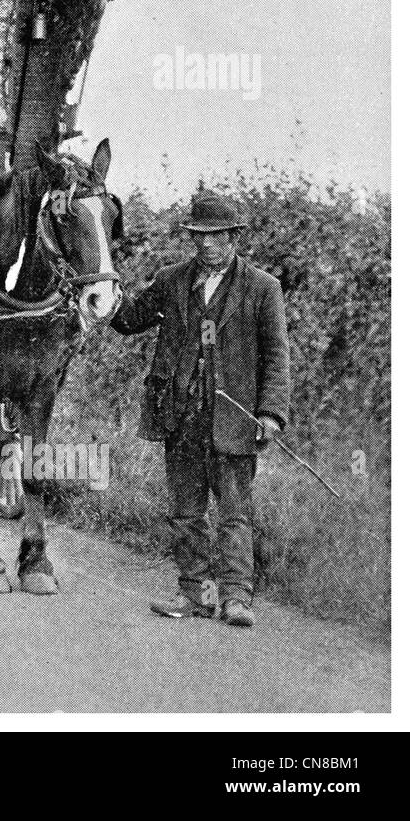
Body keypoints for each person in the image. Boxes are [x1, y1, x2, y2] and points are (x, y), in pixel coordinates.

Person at [109, 193, 290, 629]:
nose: (206, 245)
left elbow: (276, 355)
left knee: (234, 513)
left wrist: (271, 414)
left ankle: (236, 598)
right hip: (180, 416)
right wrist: (100, 288)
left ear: (233, 237)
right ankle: (195, 594)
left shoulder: (263, 288)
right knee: (186, 512)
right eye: (199, 236)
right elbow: (130, 319)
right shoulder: (172, 281)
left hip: (234, 418)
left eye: (216, 236)